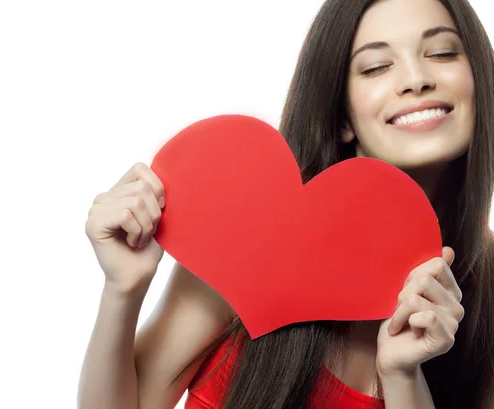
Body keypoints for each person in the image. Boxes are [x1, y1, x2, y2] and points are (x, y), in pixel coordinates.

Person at [78, 0, 494, 408]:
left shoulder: (488, 288)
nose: (416, 78)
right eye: (376, 67)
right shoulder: (248, 228)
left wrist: (403, 376)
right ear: (342, 116)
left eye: (441, 53)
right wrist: (122, 290)